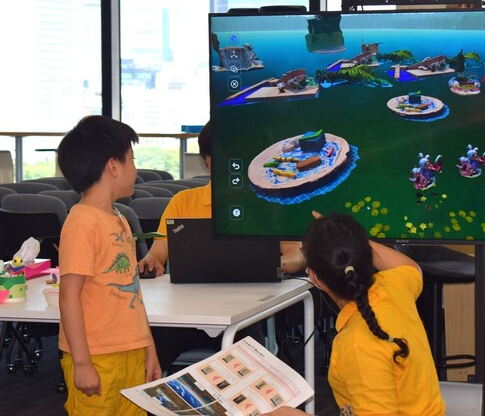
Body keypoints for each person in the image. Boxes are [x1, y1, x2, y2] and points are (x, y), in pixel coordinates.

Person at [136, 120, 305, 371]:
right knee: (150, 350)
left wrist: (270, 264)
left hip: (242, 312)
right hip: (185, 313)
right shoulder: (183, 202)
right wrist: (151, 262)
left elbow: (299, 254)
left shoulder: (265, 204)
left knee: (250, 365)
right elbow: (157, 254)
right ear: (207, 160)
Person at [265, 212, 445, 416]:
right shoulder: (394, 287)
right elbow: (410, 267)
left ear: (315, 278)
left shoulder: (357, 346)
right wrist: (347, 238)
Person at [57, 115, 160, 415]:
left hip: (131, 352)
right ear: (113, 166)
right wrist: (82, 362)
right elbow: (68, 296)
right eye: (132, 159)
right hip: (97, 357)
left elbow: (133, 294)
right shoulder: (82, 223)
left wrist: (149, 349)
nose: (135, 169)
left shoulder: (120, 219)